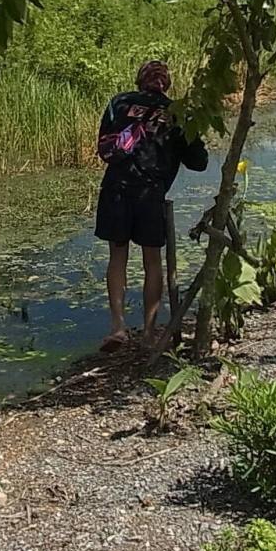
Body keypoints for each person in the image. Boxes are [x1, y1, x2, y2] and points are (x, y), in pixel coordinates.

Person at [94, 60, 208, 352]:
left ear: (138, 81)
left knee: (117, 256)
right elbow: (199, 162)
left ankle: (118, 327)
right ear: (166, 84)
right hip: (150, 193)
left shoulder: (119, 103)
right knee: (152, 261)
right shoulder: (177, 113)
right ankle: (148, 331)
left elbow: (105, 148)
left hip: (116, 189)